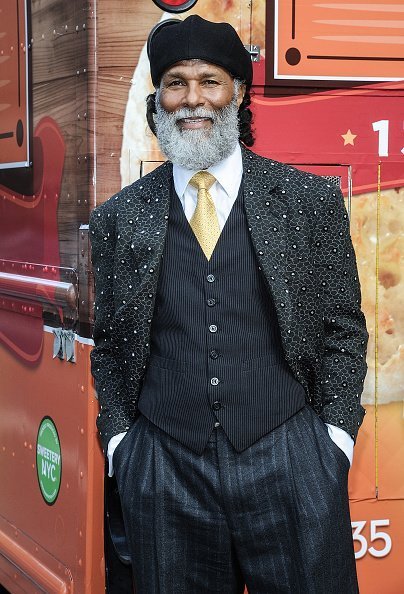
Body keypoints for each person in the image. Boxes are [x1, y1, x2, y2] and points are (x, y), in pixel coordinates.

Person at [90, 15, 368, 593]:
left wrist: (333, 444)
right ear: (158, 99)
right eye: (175, 82)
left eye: (210, 81)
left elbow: (344, 328)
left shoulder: (306, 200)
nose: (193, 99)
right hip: (165, 472)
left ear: (238, 92)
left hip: (291, 462)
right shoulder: (120, 218)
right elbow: (112, 347)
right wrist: (123, 448)